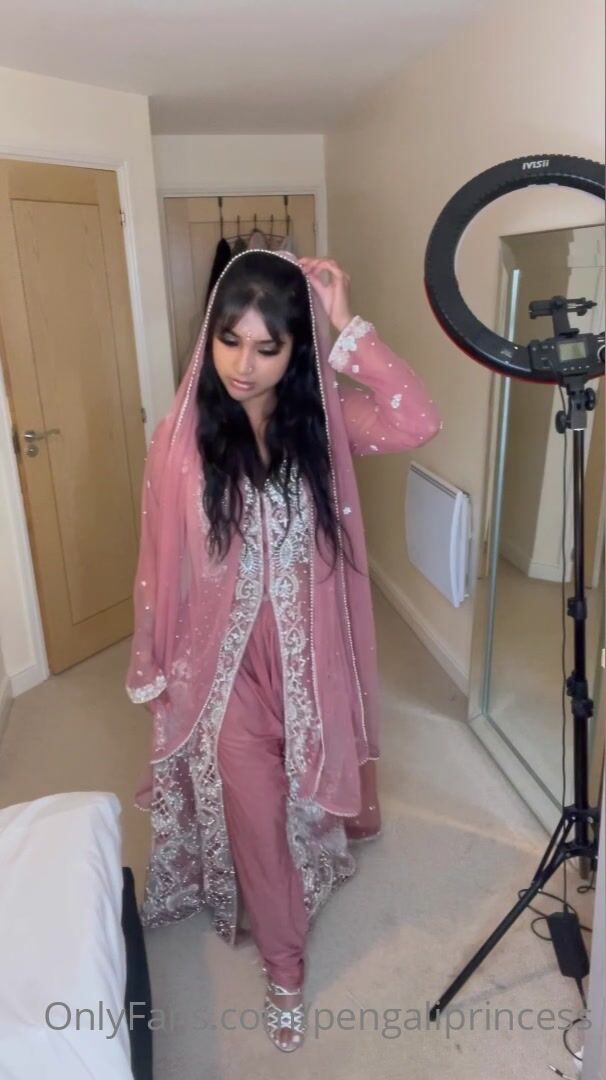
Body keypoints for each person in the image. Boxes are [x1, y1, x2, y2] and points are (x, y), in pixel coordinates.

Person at [126, 250, 442, 1052]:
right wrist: (158, 665)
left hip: (306, 655)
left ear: (295, 351)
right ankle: (285, 967)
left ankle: (300, 882)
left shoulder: (322, 429)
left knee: (305, 787)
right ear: (210, 336)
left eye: (268, 348)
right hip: (221, 671)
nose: (244, 365)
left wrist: (347, 323)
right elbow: (159, 566)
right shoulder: (180, 441)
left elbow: (416, 418)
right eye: (230, 341)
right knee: (259, 813)